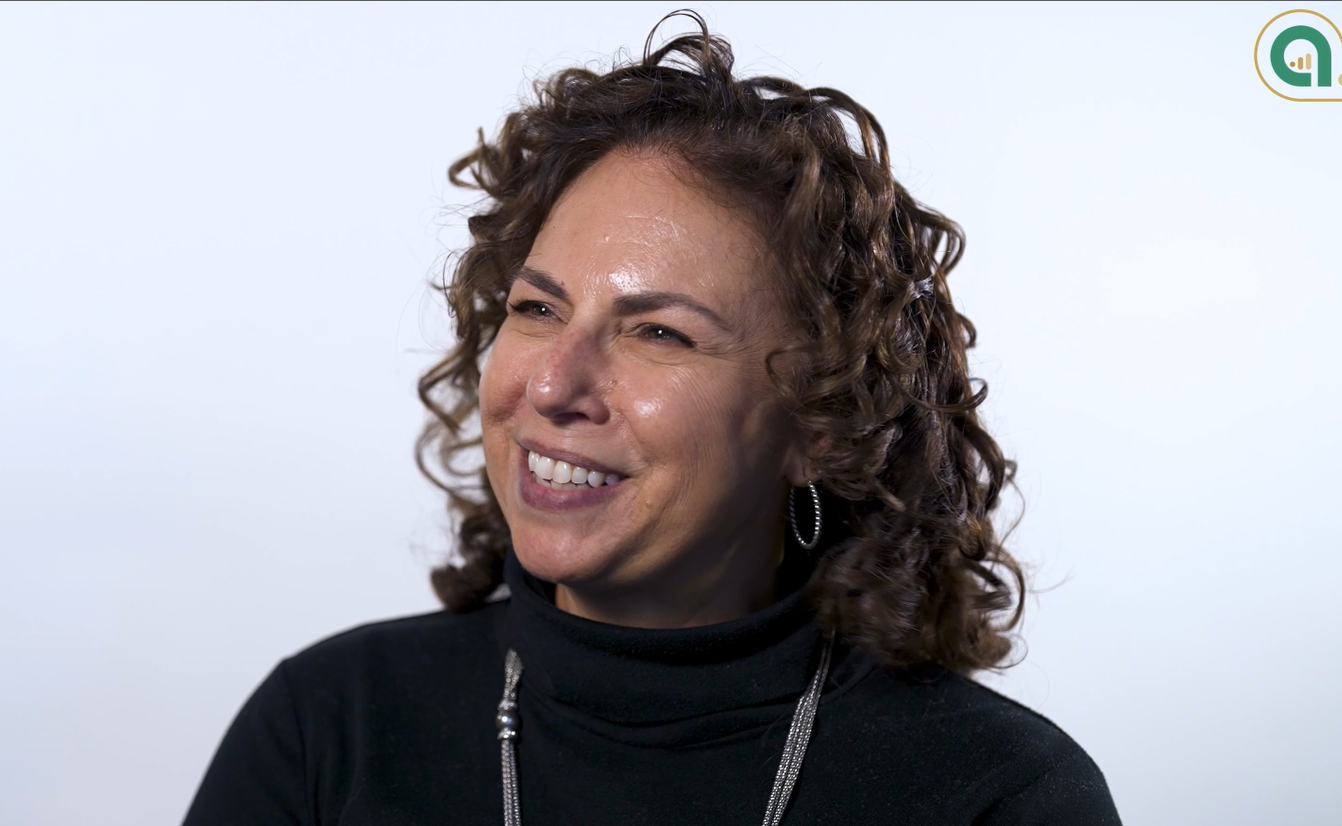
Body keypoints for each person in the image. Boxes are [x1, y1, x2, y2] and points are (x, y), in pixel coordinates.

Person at [184, 13, 1121, 825]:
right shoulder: (327, 729)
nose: (554, 385)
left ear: (822, 423)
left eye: (659, 333)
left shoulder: (997, 796)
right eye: (537, 308)